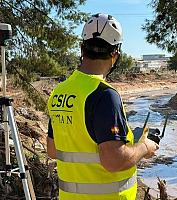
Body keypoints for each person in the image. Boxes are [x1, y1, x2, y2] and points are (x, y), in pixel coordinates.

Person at [46, 13, 159, 200]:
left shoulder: (59, 92)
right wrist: (144, 147)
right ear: (115, 54)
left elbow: (52, 150)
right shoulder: (104, 95)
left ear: (82, 48)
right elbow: (114, 161)